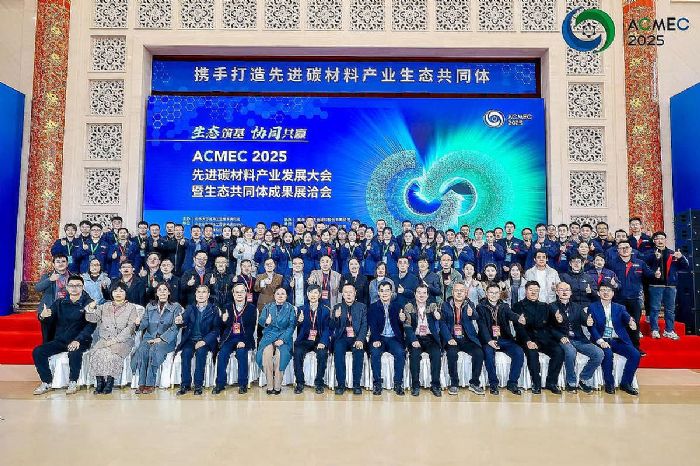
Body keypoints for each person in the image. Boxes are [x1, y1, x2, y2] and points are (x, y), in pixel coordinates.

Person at [32, 275, 95, 395]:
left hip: (80, 341)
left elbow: (90, 326)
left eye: (78, 285)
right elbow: (49, 318)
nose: (74, 288)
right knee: (38, 351)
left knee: (74, 352)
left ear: (83, 287)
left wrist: (78, 340)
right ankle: (46, 382)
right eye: (71, 285)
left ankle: (73, 381)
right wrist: (43, 316)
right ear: (67, 287)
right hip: (61, 340)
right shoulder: (59, 303)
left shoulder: (88, 304)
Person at [84, 282, 141, 394]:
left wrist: (114, 340)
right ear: (111, 293)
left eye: (121, 291)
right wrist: (90, 308)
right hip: (105, 339)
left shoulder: (131, 308)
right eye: (115, 291)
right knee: (96, 354)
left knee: (112, 356)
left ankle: (109, 383)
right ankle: (100, 383)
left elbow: (130, 329)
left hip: (123, 341)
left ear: (126, 293)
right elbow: (92, 319)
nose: (118, 293)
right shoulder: (104, 306)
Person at [588, 282, 641, 395]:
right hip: (602, 339)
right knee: (607, 354)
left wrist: (631, 322)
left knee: (635, 354)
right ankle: (609, 383)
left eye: (608, 290)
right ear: (598, 293)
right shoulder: (592, 307)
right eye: (603, 290)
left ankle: (626, 383)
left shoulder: (620, 307)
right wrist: (600, 341)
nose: (606, 292)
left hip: (617, 340)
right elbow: (591, 327)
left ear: (613, 293)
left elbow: (627, 317)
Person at [551, 282, 603, 394]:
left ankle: (583, 379)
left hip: (579, 338)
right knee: (570, 352)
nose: (564, 292)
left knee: (599, 353)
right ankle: (571, 382)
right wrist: (560, 336)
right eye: (561, 289)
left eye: (567, 289)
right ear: (557, 292)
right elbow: (549, 327)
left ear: (571, 292)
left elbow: (586, 320)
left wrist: (588, 322)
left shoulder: (577, 307)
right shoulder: (551, 307)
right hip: (563, 339)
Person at [513, 281, 565, 394]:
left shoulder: (544, 306)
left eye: (536, 290)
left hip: (543, 337)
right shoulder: (518, 306)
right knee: (532, 353)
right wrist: (528, 341)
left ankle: (551, 382)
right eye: (531, 290)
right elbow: (518, 327)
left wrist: (558, 320)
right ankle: (536, 383)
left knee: (559, 351)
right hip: (526, 337)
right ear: (526, 291)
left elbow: (551, 325)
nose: (533, 292)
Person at [608, 240, 659, 353]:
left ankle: (635, 348)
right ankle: (619, 348)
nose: (625, 249)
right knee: (618, 323)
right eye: (622, 248)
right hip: (618, 299)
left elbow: (650, 275)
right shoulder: (611, 263)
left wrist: (656, 274)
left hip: (635, 299)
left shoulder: (640, 263)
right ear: (618, 251)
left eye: (627, 247)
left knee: (634, 324)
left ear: (631, 249)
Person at [132, 282, 182, 394]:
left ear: (169, 292)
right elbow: (145, 323)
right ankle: (141, 384)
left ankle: (150, 383)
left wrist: (161, 339)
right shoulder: (150, 306)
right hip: (149, 338)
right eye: (160, 290)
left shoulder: (176, 307)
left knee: (154, 350)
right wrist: (138, 324)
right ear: (156, 293)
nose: (162, 292)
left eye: (165, 290)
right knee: (143, 350)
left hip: (166, 340)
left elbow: (175, 327)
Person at [476, 282, 526, 395]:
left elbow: (511, 314)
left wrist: (518, 318)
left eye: (496, 293)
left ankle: (512, 383)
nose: (494, 295)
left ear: (499, 294)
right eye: (491, 292)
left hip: (504, 339)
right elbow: (482, 325)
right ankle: (493, 384)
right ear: (486, 293)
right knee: (488, 354)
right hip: (488, 340)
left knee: (519, 352)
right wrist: (489, 340)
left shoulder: (504, 306)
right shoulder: (480, 307)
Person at [440, 280, 486, 396]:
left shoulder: (469, 303)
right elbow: (442, 323)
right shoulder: (445, 305)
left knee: (479, 353)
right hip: (452, 338)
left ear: (466, 293)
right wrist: (448, 338)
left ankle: (474, 383)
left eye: (462, 291)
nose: (459, 293)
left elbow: (476, 316)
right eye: (457, 291)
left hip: (467, 338)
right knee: (451, 354)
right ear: (453, 292)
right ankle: (454, 383)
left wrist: (472, 314)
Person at [175, 285, 221, 396]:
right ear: (195, 294)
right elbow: (184, 320)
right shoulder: (190, 308)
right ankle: (185, 384)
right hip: (191, 340)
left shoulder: (214, 309)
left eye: (204, 292)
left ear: (208, 295)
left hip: (206, 341)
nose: (201, 294)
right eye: (198, 292)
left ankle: (198, 385)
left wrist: (204, 341)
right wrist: (180, 320)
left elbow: (216, 330)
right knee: (186, 353)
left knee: (201, 353)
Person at [643, 231, 689, 340]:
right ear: (654, 241)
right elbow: (644, 268)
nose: (660, 240)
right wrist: (655, 258)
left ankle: (669, 330)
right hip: (655, 285)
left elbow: (685, 266)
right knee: (655, 309)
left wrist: (681, 257)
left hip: (670, 286)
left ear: (665, 240)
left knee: (670, 310)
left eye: (662, 238)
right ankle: (654, 329)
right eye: (657, 238)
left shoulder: (673, 253)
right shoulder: (649, 253)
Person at [213, 283, 257, 394]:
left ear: (246, 293)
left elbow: (251, 329)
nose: (239, 294)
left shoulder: (251, 308)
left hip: (244, 338)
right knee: (222, 354)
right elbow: (220, 327)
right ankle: (220, 384)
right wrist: (223, 320)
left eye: (242, 291)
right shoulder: (227, 307)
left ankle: (243, 384)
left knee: (241, 353)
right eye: (237, 292)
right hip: (229, 338)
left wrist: (244, 341)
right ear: (233, 294)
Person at [403, 284, 443, 397]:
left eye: (424, 293)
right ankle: (415, 385)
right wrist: (413, 339)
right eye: (419, 292)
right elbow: (407, 325)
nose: (421, 295)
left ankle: (435, 385)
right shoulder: (409, 306)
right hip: (415, 337)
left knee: (436, 354)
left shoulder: (433, 305)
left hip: (430, 338)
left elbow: (439, 315)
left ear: (428, 295)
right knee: (414, 355)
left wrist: (438, 315)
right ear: (415, 294)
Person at [368, 282, 407, 396]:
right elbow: (373, 325)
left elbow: (402, 325)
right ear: (378, 293)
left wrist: (402, 319)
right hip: (379, 337)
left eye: (387, 290)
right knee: (375, 353)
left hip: (394, 338)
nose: (384, 293)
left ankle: (398, 384)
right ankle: (377, 384)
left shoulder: (398, 306)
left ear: (391, 292)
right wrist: (375, 339)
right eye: (382, 290)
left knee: (400, 353)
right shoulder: (373, 307)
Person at [256, 287, 297, 395]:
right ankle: (270, 385)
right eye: (278, 294)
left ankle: (277, 386)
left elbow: (291, 326)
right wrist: (266, 321)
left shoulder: (290, 308)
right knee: (266, 353)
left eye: (283, 294)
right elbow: (260, 321)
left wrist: (283, 339)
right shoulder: (268, 307)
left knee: (280, 356)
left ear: (286, 296)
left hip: (284, 337)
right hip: (269, 336)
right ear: (274, 296)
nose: (280, 296)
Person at [293, 285, 331, 394]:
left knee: (322, 354)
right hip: (304, 340)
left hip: (319, 340)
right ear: (307, 294)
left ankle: (319, 383)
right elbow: (293, 326)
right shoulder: (301, 309)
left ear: (319, 295)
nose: (313, 295)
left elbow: (327, 328)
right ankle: (300, 382)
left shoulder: (325, 310)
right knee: (297, 353)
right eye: (311, 292)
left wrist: (323, 342)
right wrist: (298, 321)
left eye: (315, 293)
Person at [331, 283, 368, 395]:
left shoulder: (362, 307)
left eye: (350, 292)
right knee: (338, 351)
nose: (348, 294)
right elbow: (332, 327)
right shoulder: (337, 307)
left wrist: (360, 339)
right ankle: (341, 385)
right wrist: (336, 318)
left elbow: (364, 325)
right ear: (342, 294)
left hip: (356, 337)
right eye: (346, 292)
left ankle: (356, 385)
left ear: (355, 293)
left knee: (358, 351)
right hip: (342, 337)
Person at [35, 254, 72, 342]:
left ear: (67, 264)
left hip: (66, 312)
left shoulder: (72, 277)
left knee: (64, 341)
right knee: (48, 340)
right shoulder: (47, 276)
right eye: (58, 262)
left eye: (63, 261)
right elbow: (37, 288)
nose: (61, 264)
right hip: (49, 311)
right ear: (53, 264)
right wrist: (50, 280)